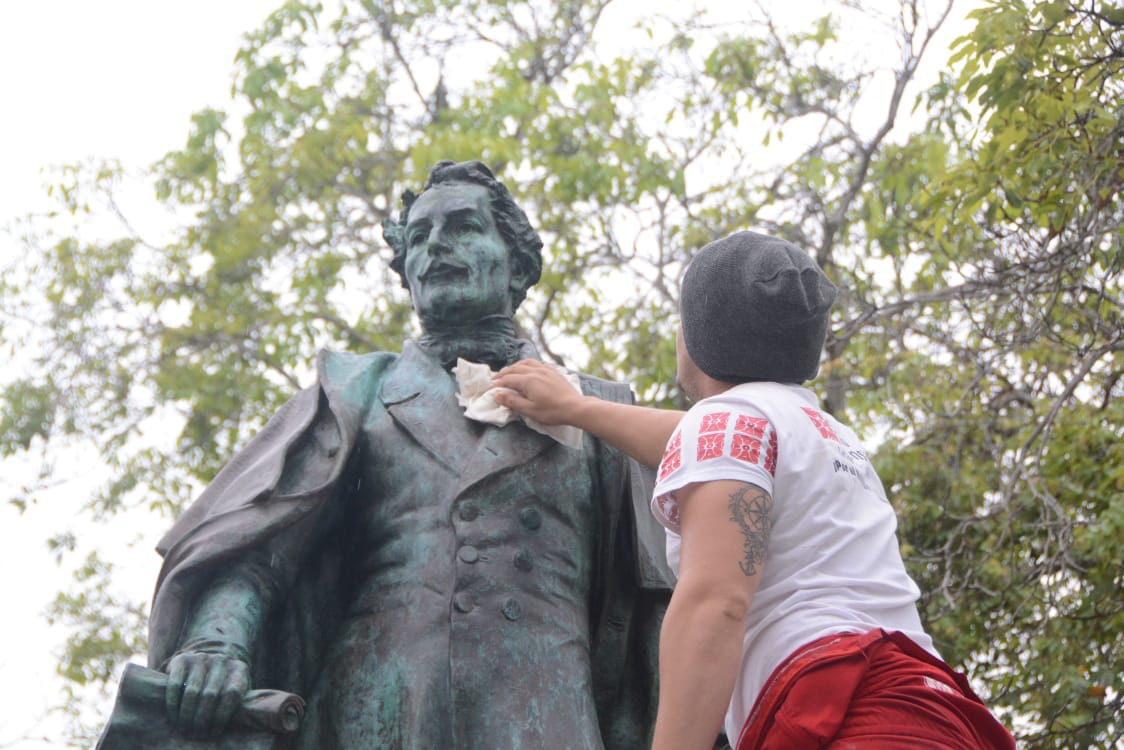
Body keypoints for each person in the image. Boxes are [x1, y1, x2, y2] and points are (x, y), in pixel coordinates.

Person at [137, 160, 673, 749]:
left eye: (464, 227)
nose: (438, 245)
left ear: (518, 262)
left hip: (546, 714)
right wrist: (218, 641)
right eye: (419, 237)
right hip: (378, 712)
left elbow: (661, 607)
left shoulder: (599, 410)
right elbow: (260, 545)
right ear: (407, 274)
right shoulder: (354, 393)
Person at [493, 230, 1017, 749]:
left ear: (698, 338)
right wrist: (578, 408)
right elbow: (696, 441)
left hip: (841, 717)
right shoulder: (824, 434)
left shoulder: (727, 424)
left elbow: (715, 603)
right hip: (932, 710)